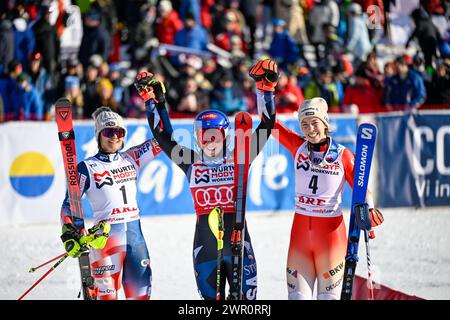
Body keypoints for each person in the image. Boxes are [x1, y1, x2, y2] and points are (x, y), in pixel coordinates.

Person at [134, 58, 279, 300]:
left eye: (215, 135)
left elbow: (266, 124)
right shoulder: (191, 162)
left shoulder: (241, 157)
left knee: (246, 303)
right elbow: (163, 136)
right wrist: (154, 101)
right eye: (204, 136)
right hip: (205, 245)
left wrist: (266, 89)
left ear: (225, 136)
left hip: (238, 242)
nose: (210, 141)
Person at [272, 97, 384, 300]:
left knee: (328, 298)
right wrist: (266, 91)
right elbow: (270, 124)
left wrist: (369, 210)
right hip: (300, 238)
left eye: (314, 122)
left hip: (331, 238)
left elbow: (362, 189)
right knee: (297, 297)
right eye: (304, 124)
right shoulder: (298, 147)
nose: (310, 129)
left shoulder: (343, 155)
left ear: (325, 122)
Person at [59, 107, 162, 300]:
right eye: (108, 132)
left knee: (141, 296)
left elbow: (163, 137)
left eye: (119, 132)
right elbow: (69, 204)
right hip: (105, 241)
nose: (114, 137)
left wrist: (153, 102)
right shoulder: (87, 167)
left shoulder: (132, 157)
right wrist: (69, 232)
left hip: (135, 240)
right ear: (98, 135)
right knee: (107, 297)